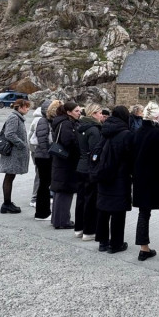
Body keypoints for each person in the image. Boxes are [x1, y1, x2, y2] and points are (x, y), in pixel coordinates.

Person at [133, 101, 159, 261]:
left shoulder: (137, 132)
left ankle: (144, 248)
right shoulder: (157, 134)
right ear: (157, 116)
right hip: (157, 179)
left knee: (144, 212)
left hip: (141, 178)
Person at [96, 105, 134, 254]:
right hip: (120, 175)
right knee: (118, 211)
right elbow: (130, 157)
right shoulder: (126, 134)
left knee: (103, 209)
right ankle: (116, 244)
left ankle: (103, 242)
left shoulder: (104, 129)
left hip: (104, 173)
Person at [74, 103, 105, 241]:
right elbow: (95, 151)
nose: (101, 115)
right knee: (90, 200)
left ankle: (79, 228)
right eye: (99, 112)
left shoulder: (80, 127)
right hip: (89, 168)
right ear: (93, 114)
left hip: (81, 165)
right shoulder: (94, 130)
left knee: (81, 199)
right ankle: (88, 230)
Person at [0, 98, 31, 214]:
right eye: (26, 106)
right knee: (9, 177)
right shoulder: (14, 117)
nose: (28, 109)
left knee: (10, 177)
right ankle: (6, 204)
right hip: (12, 153)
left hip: (14, 153)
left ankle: (7, 203)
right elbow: (9, 134)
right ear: (19, 107)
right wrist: (22, 145)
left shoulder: (18, 117)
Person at [50, 101, 81, 229]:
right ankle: (63, 221)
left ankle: (57, 219)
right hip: (66, 162)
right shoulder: (67, 124)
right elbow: (68, 141)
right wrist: (78, 148)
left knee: (60, 191)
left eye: (79, 111)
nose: (79, 113)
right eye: (76, 111)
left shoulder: (61, 122)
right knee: (65, 191)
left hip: (61, 161)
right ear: (69, 112)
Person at [32, 100, 57, 221]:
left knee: (45, 184)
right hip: (43, 158)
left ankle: (43, 211)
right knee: (44, 185)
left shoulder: (47, 121)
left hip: (43, 156)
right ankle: (42, 213)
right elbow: (42, 141)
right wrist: (49, 154)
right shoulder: (43, 121)